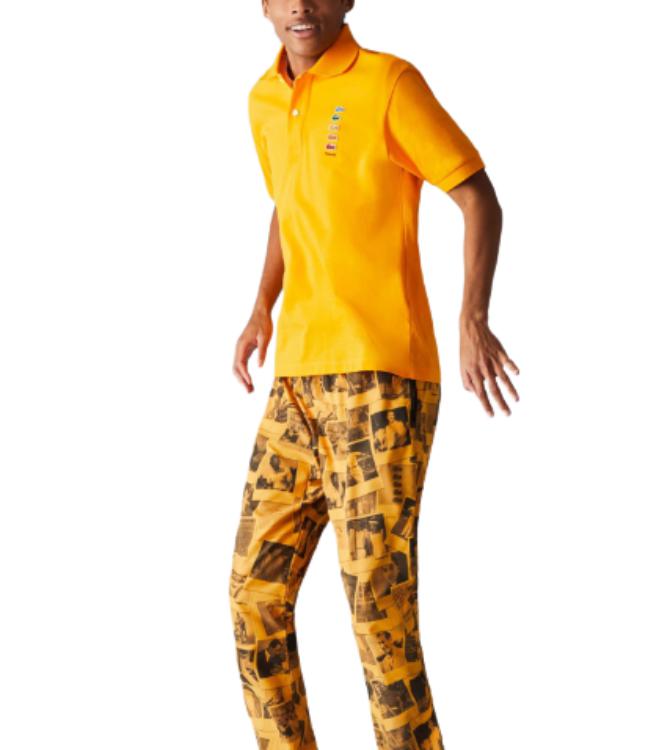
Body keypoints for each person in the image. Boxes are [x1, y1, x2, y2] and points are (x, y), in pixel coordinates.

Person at [229, 2, 520, 747]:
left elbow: (476, 195)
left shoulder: (389, 83)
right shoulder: (264, 100)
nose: (301, 6)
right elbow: (287, 204)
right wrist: (262, 304)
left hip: (382, 380)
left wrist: (472, 316)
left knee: (377, 614)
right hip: (296, 382)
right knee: (254, 599)